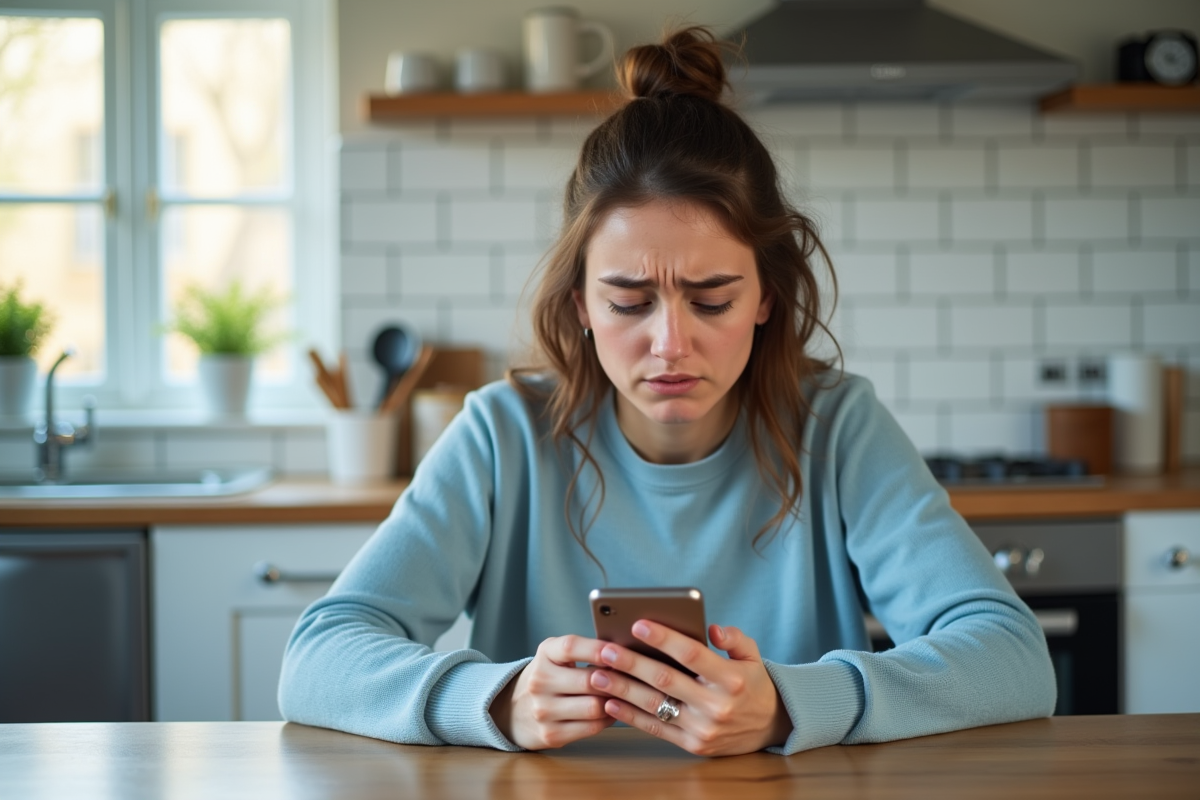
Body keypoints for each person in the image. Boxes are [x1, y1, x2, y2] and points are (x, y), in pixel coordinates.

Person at [279, 27, 1056, 757]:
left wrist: (791, 704)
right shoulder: (501, 433)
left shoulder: (839, 427)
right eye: (628, 302)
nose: (670, 345)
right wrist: (496, 699)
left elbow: (1014, 659)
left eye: (712, 299)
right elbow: (316, 658)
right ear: (580, 304)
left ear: (766, 299)